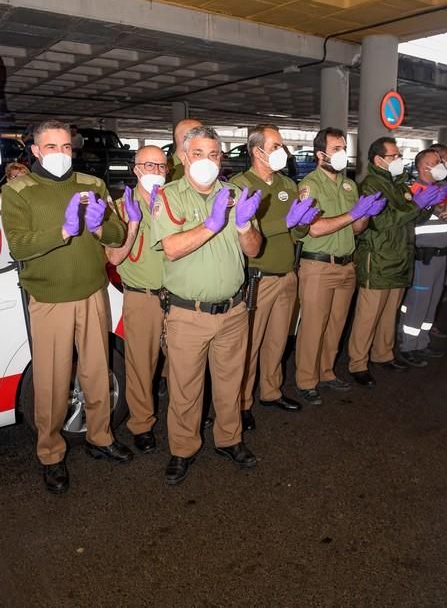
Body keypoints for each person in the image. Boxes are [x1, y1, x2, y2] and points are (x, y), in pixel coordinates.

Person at [1, 120, 132, 495]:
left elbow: (117, 234)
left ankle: (101, 438)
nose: (61, 153)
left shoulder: (92, 185)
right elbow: (21, 245)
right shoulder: (18, 191)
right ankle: (51, 454)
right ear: (36, 151)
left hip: (93, 293)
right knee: (52, 381)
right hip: (48, 299)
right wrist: (63, 229)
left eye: (66, 147)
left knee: (97, 371)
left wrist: (99, 228)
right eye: (52, 147)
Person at [151, 125, 262, 485]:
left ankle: (229, 439)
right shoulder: (168, 197)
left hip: (232, 310)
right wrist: (214, 223)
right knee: (185, 388)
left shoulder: (235, 193)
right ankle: (182, 449)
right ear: (183, 158)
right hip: (188, 313)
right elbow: (171, 247)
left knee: (231, 382)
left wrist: (244, 226)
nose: (207, 161)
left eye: (214, 154)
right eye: (198, 153)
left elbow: (254, 250)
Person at [231, 124, 318, 431]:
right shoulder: (240, 186)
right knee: (249, 344)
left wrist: (303, 222)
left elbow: (297, 232)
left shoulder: (288, 184)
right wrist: (287, 220)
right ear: (257, 151)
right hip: (258, 278)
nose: (284, 152)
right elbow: (245, 233)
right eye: (277, 146)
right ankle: (240, 402)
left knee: (278, 340)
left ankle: (271, 391)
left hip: (286, 274)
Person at [295, 127, 386, 403]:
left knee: (336, 324)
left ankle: (326, 372)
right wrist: (353, 213)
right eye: (336, 149)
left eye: (344, 148)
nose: (342, 153)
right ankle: (305, 380)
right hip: (319, 266)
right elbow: (315, 229)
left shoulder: (349, 185)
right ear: (319, 154)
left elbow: (356, 229)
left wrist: (365, 215)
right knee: (313, 325)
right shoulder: (309, 185)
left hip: (347, 265)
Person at [348, 137, 447, 385]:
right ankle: (358, 363)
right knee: (368, 316)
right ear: (378, 159)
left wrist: (427, 206)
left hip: (399, 256)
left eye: (398, 155)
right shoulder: (371, 185)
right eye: (394, 156)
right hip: (379, 258)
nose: (398, 159)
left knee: (389, 313)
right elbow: (381, 222)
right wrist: (416, 204)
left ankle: (383, 354)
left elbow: (409, 218)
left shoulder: (397, 182)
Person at [106, 146, 168, 453]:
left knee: (186, 364)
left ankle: (187, 416)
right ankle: (142, 424)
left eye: (161, 166)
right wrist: (131, 225)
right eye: (149, 165)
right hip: (143, 298)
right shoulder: (120, 207)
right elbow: (114, 257)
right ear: (136, 169)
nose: (156, 171)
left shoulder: (174, 203)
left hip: (179, 297)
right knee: (142, 365)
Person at [398, 148, 447, 365]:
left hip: (440, 256)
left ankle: (421, 342)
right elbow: (445, 213)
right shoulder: (418, 190)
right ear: (424, 167)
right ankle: (407, 346)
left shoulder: (438, 188)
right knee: (418, 303)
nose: (442, 164)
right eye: (437, 161)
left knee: (431, 303)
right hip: (424, 258)